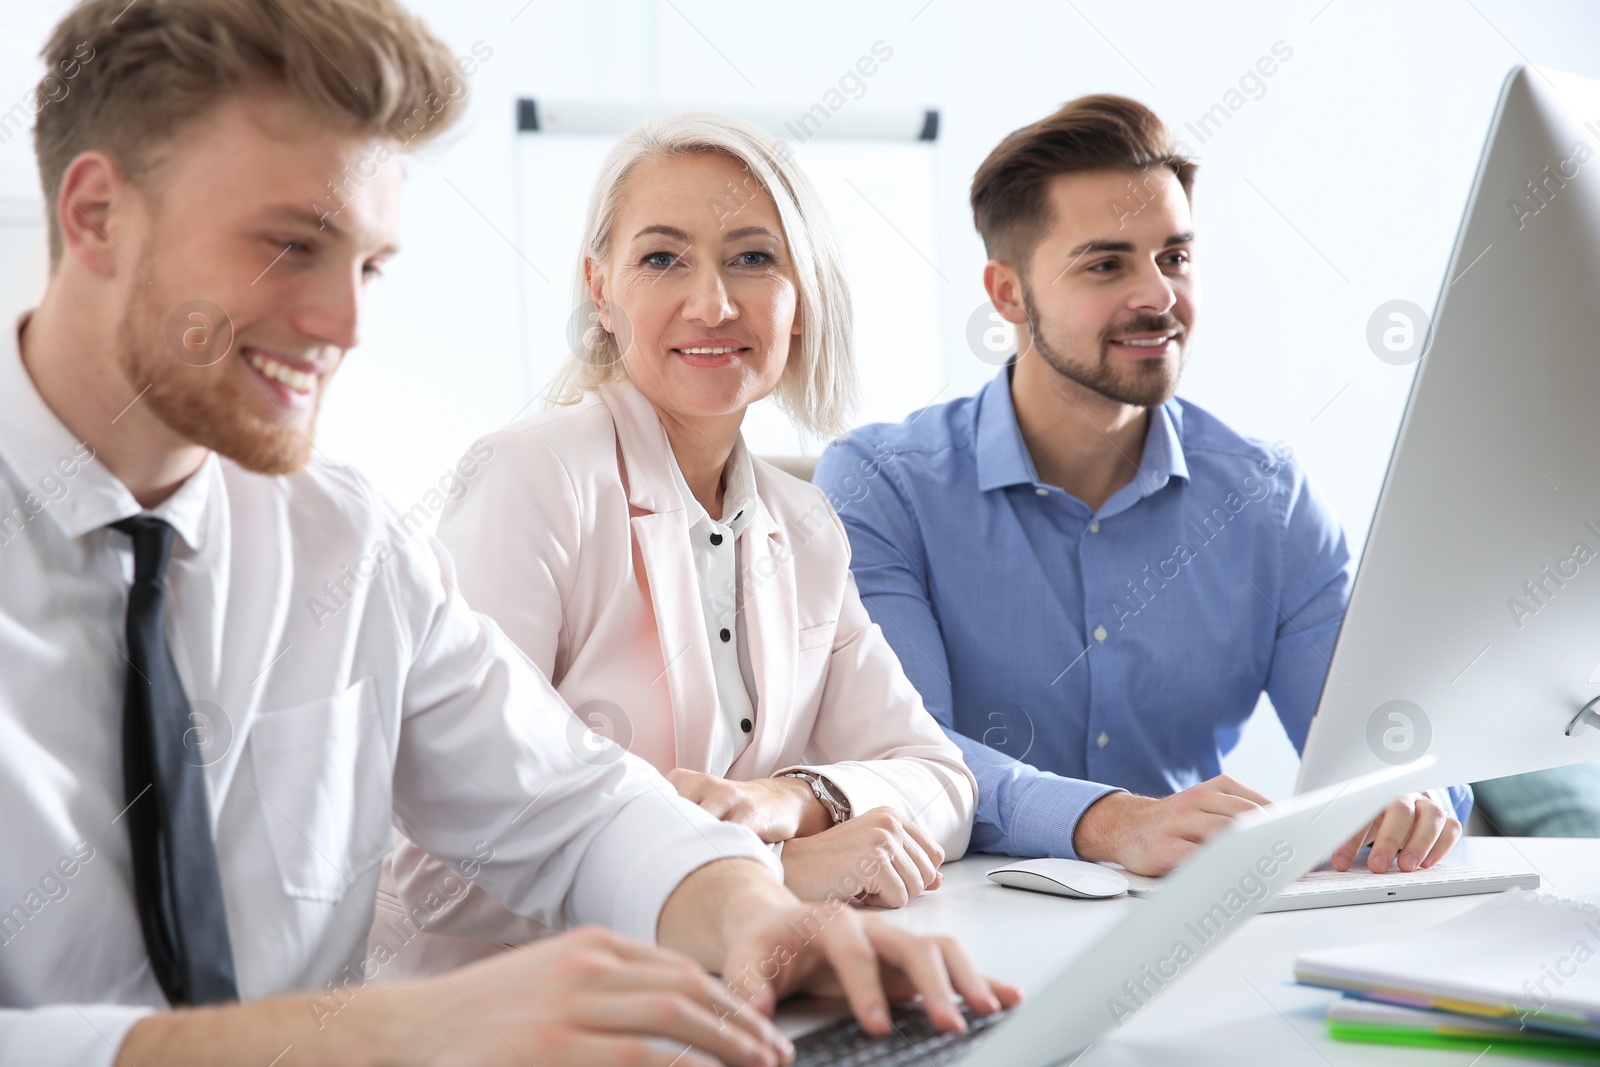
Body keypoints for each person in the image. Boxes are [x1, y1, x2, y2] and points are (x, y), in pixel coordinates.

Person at [0, 2, 1017, 1064]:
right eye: (291, 244)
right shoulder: (533, 474)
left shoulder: (341, 541)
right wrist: (370, 1034)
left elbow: (572, 805)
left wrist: (756, 915)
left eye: (369, 266)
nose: (346, 325)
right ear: (97, 213)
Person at [379, 113, 976, 976]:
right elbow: (445, 864)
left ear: (801, 296)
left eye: (753, 257)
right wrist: (761, 873)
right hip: (519, 1018)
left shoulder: (804, 525)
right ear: (600, 288)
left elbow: (940, 781)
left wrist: (787, 800)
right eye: (662, 258)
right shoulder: (530, 479)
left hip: (735, 1005)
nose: (713, 303)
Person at [814, 94, 1471, 879]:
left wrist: (1407, 793)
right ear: (1008, 294)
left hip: (1181, 923)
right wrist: (1107, 820)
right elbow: (899, 759)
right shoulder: (883, 484)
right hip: (953, 920)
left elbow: (1384, 739)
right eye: (1106, 263)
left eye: (1175, 256)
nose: (1158, 296)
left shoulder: (1267, 498)